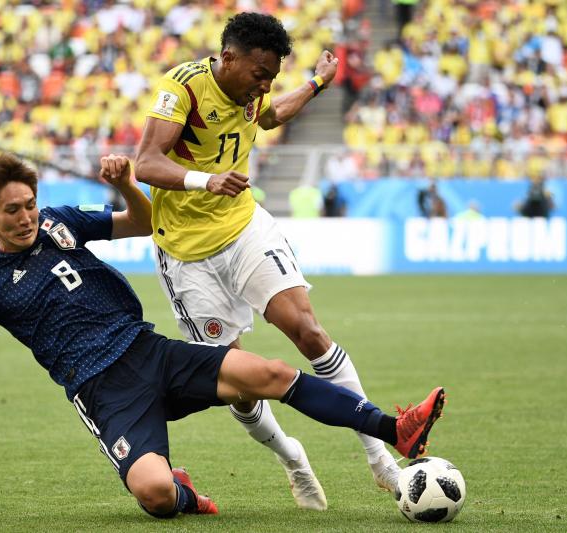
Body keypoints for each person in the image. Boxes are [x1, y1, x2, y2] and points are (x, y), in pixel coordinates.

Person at [0, 152, 447, 519]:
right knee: (155, 495)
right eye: (12, 211)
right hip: (102, 391)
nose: (25, 218)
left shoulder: (58, 223)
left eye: (28, 205)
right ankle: (183, 490)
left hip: (148, 350)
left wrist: (122, 185)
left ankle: (394, 431)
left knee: (270, 374)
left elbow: (143, 223)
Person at [134, 12, 404, 508]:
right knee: (240, 384)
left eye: (272, 76)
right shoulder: (184, 88)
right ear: (229, 58)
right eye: (260, 74)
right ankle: (292, 458)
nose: (264, 85)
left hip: (244, 228)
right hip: (187, 255)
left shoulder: (253, 92)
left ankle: (384, 463)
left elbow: (272, 114)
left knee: (309, 331)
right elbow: (145, 161)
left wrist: (316, 84)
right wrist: (205, 179)